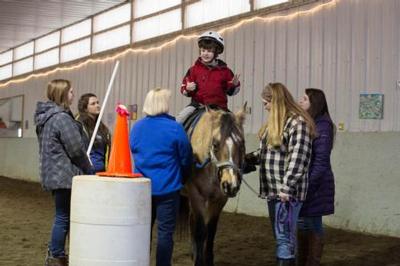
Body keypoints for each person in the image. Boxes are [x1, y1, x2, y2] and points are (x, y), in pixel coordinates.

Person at [254, 82, 316, 266]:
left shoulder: (298, 123)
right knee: (282, 237)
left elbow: (299, 158)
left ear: (275, 101)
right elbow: (266, 153)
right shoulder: (275, 125)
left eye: (266, 104)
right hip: (274, 191)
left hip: (287, 194)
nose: (265, 108)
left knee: (284, 238)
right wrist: (245, 161)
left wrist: (287, 188)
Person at [129, 88, 192, 266]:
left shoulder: (137, 127)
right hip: (168, 189)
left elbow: (133, 149)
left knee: (143, 231)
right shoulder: (174, 128)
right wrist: (183, 176)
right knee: (165, 233)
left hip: (142, 188)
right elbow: (186, 157)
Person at [34, 79, 93, 266]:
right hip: (64, 175)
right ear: (61, 94)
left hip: (53, 174)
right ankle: (56, 255)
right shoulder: (61, 118)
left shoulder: (46, 118)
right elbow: (76, 149)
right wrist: (88, 168)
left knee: (62, 214)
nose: (73, 94)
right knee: (63, 217)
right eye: (70, 92)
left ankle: (56, 253)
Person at [297, 88, 336, 266]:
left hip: (316, 185)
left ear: (315, 103)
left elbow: (320, 161)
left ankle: (312, 262)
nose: (300, 101)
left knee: (312, 223)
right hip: (308, 182)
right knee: (304, 223)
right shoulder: (310, 122)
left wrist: (308, 186)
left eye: (304, 99)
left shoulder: (323, 125)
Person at [176, 30, 240, 123]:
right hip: (197, 106)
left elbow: (232, 92)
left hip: (220, 108)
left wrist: (234, 85)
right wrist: (187, 88)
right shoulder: (193, 70)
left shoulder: (225, 71)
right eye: (203, 50)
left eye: (209, 51)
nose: (205, 53)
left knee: (236, 125)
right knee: (178, 121)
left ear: (216, 52)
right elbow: (183, 88)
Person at [76, 93, 111, 172]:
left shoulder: (102, 128)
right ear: (85, 108)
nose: (97, 105)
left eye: (98, 103)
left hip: (101, 172)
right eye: (93, 104)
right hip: (86, 172)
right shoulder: (78, 124)